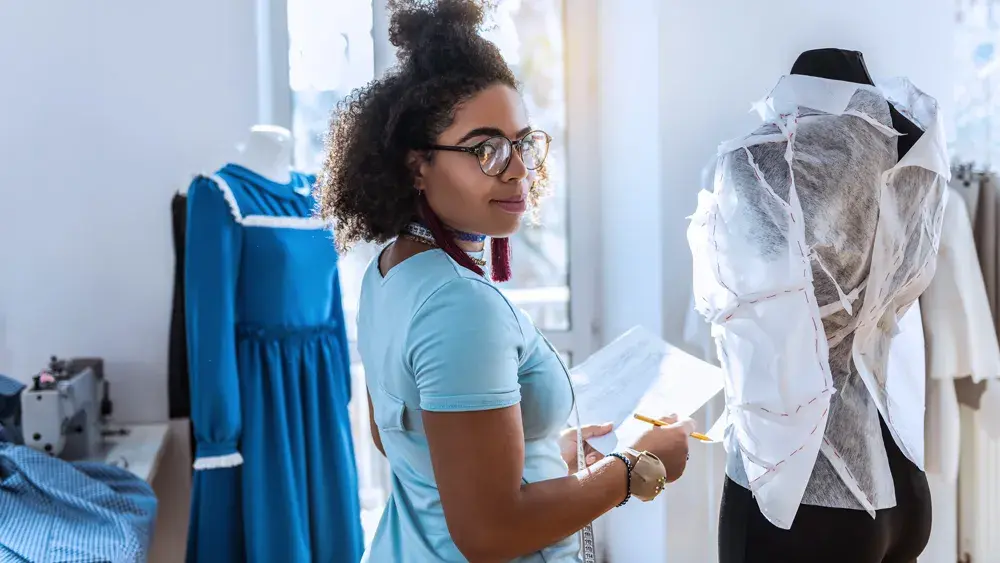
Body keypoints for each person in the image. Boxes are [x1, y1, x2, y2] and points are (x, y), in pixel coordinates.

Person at [317, 0, 695, 561]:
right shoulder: (460, 305)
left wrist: (550, 451)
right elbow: (490, 534)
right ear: (417, 165)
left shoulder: (390, 270)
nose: (518, 168)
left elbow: (412, 446)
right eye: (486, 149)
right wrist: (638, 465)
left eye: (523, 143)